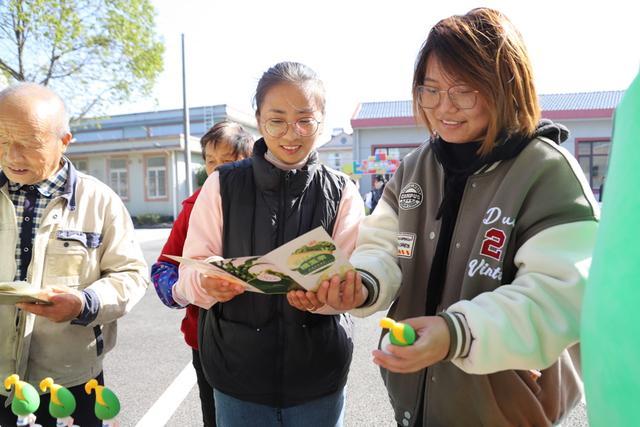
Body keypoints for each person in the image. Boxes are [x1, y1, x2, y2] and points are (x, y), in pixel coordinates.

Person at [319, 8, 600, 426]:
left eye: (463, 90)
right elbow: (381, 249)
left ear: (507, 87)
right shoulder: (415, 168)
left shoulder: (546, 171)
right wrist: (360, 286)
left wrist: (456, 333)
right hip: (415, 404)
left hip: (506, 412)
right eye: (430, 90)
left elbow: (559, 296)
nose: (442, 107)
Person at [173, 61, 364, 427]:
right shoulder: (222, 185)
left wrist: (323, 301)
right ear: (258, 120)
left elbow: (353, 280)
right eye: (277, 120)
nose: (291, 134)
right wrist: (207, 283)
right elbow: (188, 274)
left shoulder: (343, 192)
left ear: (322, 121)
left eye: (305, 120)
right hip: (237, 377)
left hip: (318, 378)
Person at [0, 83, 148, 426]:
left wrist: (85, 303)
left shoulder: (100, 201)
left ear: (64, 140)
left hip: (72, 382)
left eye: (29, 143)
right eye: (3, 140)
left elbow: (130, 274)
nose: (12, 156)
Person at [151, 120, 254, 426]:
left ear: (250, 159)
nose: (217, 170)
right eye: (211, 162)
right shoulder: (193, 206)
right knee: (216, 416)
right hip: (205, 338)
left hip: (260, 338)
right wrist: (184, 289)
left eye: (228, 162)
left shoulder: (265, 202)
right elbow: (163, 268)